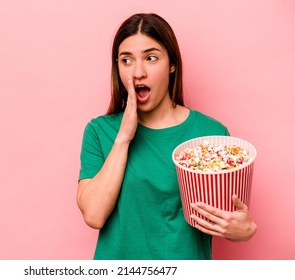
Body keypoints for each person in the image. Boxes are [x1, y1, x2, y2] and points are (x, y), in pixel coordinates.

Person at [77, 13, 257, 260]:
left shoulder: (211, 135)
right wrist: (124, 137)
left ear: (172, 64)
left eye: (151, 58)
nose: (137, 72)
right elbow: (94, 215)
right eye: (126, 60)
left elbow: (229, 214)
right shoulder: (100, 131)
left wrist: (244, 229)